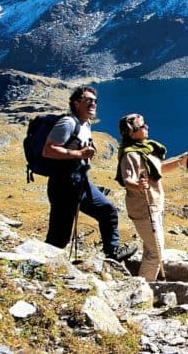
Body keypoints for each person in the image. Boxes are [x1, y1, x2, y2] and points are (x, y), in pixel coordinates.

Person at [42, 86, 136, 262]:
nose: (93, 103)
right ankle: (43, 265)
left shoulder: (86, 123)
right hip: (63, 183)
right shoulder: (67, 123)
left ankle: (112, 253)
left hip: (81, 181)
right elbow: (48, 150)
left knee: (107, 210)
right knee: (60, 235)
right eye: (88, 100)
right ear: (77, 103)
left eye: (95, 100)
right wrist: (79, 154)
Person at [116, 113, 188, 281]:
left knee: (152, 247)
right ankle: (144, 287)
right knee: (155, 251)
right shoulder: (131, 155)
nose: (147, 127)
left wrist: (182, 161)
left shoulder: (147, 149)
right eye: (142, 126)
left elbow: (160, 169)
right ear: (132, 132)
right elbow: (127, 179)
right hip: (144, 209)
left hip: (155, 205)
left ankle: (145, 281)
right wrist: (138, 186)